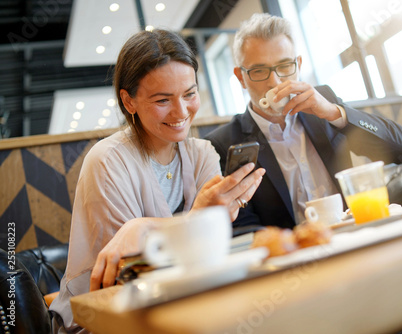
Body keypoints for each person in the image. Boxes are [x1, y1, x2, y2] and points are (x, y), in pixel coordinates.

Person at [49, 29, 265, 333]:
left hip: (184, 303)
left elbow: (209, 251)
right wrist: (198, 218)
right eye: (163, 99)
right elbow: (132, 273)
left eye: (189, 94)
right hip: (108, 318)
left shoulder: (202, 153)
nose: (181, 112)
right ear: (129, 101)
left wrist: (145, 227)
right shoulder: (108, 161)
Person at [204, 13, 402, 229]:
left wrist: (334, 114)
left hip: (355, 238)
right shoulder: (223, 143)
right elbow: (242, 226)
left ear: (298, 64)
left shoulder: (324, 104)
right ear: (241, 77)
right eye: (259, 70)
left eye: (285, 66)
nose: (274, 81)